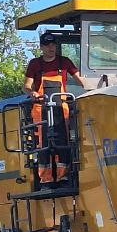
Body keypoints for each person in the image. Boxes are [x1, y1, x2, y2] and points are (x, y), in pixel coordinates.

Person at [23, 33, 93, 184]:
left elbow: (82, 81)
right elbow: (27, 86)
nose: (51, 48)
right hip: (41, 108)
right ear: (41, 47)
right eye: (47, 45)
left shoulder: (65, 62)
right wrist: (32, 92)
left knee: (63, 141)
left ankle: (63, 177)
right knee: (43, 144)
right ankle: (46, 179)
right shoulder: (35, 64)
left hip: (61, 108)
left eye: (53, 45)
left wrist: (96, 87)